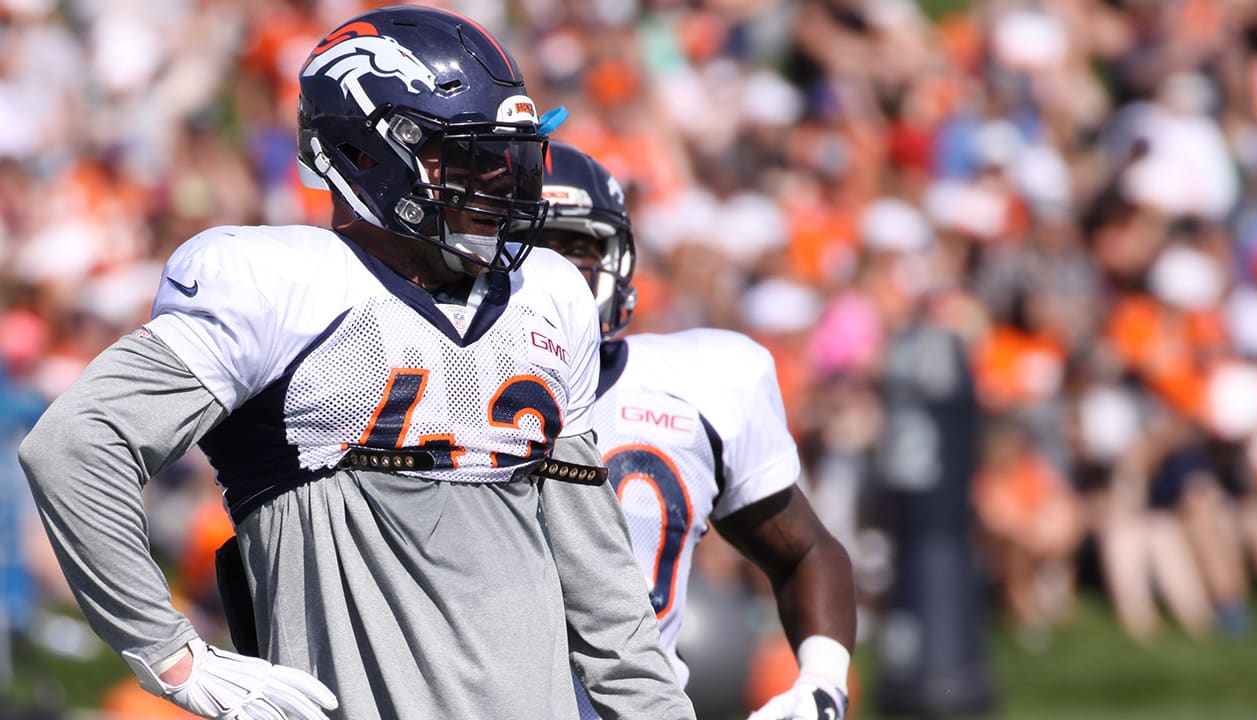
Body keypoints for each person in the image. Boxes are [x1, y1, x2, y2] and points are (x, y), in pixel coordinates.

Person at [18, 8, 693, 720]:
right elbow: (75, 447)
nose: (500, 183)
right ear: (365, 154)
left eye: (508, 157)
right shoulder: (277, 284)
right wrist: (169, 652)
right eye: (466, 157)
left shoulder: (550, 296)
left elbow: (603, 586)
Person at [536, 140, 857, 720]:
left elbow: (807, 551)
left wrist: (822, 683)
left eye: (577, 250)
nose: (559, 277)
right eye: (536, 251)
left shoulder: (703, 384)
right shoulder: (430, 387)